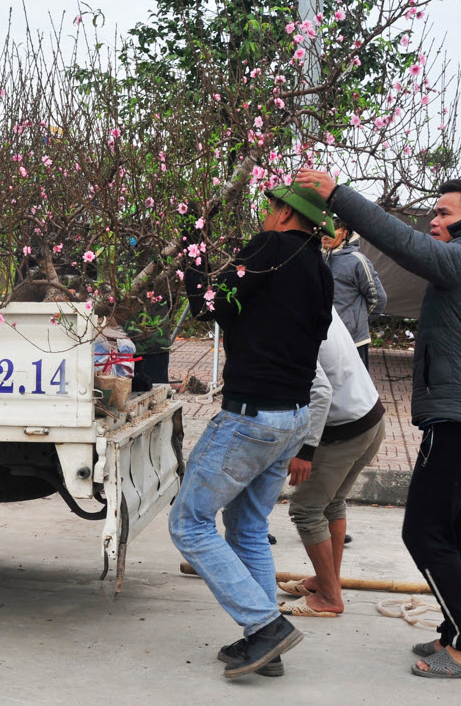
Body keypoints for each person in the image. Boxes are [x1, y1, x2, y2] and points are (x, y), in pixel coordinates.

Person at [296, 170, 461, 680]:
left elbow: (406, 245)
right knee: (460, 534)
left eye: (444, 212)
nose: (433, 219)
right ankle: (456, 630)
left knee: (424, 532)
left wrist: (337, 195)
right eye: (434, 210)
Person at [169, 182, 335, 679]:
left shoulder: (272, 247)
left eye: (269, 208)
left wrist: (191, 249)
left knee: (189, 523)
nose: (265, 215)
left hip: (251, 417)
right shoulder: (319, 269)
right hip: (292, 418)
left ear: (285, 213)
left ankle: (266, 627)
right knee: (246, 527)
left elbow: (209, 305)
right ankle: (267, 646)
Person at [277, 308, 386, 618]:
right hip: (371, 418)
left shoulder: (291, 316)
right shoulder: (319, 297)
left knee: (306, 508)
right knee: (332, 503)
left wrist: (305, 452)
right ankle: (328, 581)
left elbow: (320, 391)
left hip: (346, 429)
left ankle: (329, 595)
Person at [325, 222, 386, 368]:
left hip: (353, 339)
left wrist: (358, 320)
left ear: (344, 233)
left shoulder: (357, 261)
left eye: (332, 229)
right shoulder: (318, 258)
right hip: (326, 338)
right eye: (323, 229)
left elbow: (378, 298)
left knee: (355, 389)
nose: (325, 235)